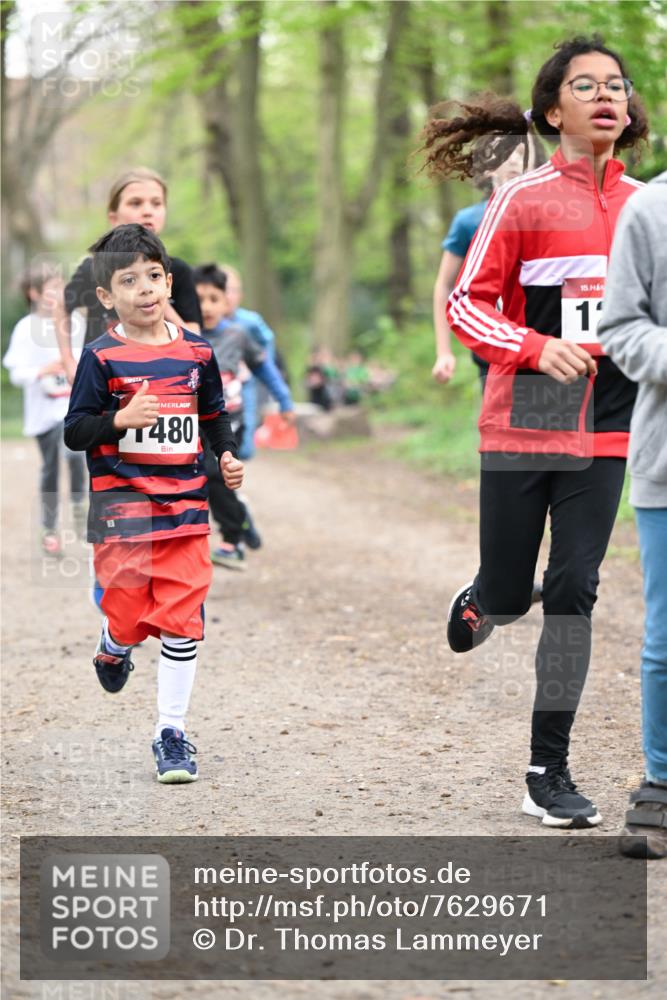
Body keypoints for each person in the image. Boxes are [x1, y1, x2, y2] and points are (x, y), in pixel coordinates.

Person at [421, 35, 648, 828]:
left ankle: (545, 769)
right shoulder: (521, 202)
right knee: (516, 593)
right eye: (585, 86)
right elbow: (464, 304)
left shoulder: (646, 207)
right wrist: (533, 345)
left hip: (611, 417)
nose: (605, 97)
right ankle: (488, 595)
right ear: (553, 112)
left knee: (574, 588)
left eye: (615, 85)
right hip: (531, 404)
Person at [64, 225, 243, 784]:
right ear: (106, 297)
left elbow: (213, 414)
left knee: (182, 619)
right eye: (128, 280)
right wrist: (117, 420)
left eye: (154, 276)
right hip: (122, 508)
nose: (145, 289)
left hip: (185, 507)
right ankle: (114, 644)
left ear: (168, 280)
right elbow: (75, 431)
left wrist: (228, 455)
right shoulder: (101, 358)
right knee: (127, 609)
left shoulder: (196, 352)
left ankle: (172, 732)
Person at [597, 171, 667, 859]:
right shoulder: (649, 210)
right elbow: (619, 327)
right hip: (666, 463)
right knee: (666, 636)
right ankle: (661, 782)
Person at [56, 167, 202, 384]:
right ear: (113, 217)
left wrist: (159, 299)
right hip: (106, 382)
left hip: (165, 383)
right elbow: (60, 306)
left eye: (156, 203)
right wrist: (68, 361)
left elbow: (196, 341)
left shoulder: (178, 271)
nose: (147, 211)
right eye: (135, 203)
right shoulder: (93, 268)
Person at [194, 264, 294, 569]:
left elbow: (265, 368)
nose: (206, 307)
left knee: (214, 474)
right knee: (204, 480)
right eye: (199, 299)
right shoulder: (185, 337)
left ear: (227, 302)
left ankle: (232, 538)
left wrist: (285, 400)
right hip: (196, 423)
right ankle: (237, 518)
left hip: (230, 421)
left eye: (214, 299)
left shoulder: (238, 335)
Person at [432, 135, 545, 387]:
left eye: (521, 152)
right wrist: (443, 352)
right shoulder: (469, 221)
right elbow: (444, 286)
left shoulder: (554, 215)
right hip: (492, 344)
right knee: (501, 421)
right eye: (505, 153)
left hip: (545, 342)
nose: (515, 160)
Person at [3, 263, 87, 554]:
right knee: (51, 469)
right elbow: (15, 373)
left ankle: (80, 507)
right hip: (43, 415)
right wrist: (43, 371)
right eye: (51, 288)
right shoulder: (26, 329)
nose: (58, 293)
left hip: (71, 409)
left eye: (60, 287)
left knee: (76, 455)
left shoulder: (74, 322)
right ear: (34, 293)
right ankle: (49, 528)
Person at [219, 264, 290, 459]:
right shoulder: (202, 322)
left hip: (245, 385)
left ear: (240, 295)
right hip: (216, 388)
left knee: (245, 443)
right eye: (224, 290)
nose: (228, 296)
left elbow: (267, 343)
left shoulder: (250, 321)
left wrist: (261, 368)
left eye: (233, 291)